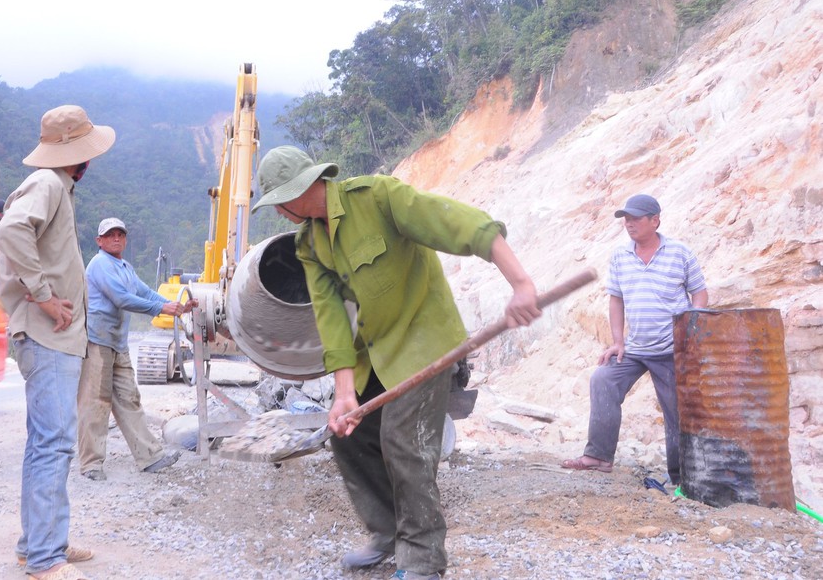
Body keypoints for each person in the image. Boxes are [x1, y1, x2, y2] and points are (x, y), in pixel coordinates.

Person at [252, 145, 540, 580]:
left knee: (404, 443)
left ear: (299, 190)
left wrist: (521, 283)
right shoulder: (309, 244)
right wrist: (344, 394)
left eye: (278, 202)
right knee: (348, 435)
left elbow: (459, 223)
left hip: (426, 340)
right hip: (379, 350)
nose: (279, 212)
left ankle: (423, 559)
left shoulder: (379, 197)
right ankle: (388, 534)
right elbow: (330, 319)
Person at [0, 105, 114, 580]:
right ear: (77, 155)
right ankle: (45, 558)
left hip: (51, 339)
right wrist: (45, 297)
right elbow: (11, 230)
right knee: (53, 444)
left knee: (45, 443)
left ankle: (38, 544)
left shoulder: (57, 189)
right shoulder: (47, 184)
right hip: (47, 336)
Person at [562, 193, 708, 484]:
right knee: (603, 379)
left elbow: (699, 292)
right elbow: (616, 300)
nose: (629, 224)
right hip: (636, 347)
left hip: (671, 348)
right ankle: (599, 457)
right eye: (626, 219)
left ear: (655, 221)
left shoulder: (680, 253)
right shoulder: (620, 256)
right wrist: (618, 341)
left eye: (636, 219)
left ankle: (683, 477)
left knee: (677, 409)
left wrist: (692, 328)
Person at [77, 217, 192, 480]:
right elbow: (121, 298)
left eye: (120, 234)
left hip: (118, 343)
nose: (116, 238)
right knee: (95, 403)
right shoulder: (99, 265)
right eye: (110, 234)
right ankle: (91, 465)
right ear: (100, 241)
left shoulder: (126, 267)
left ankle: (150, 457)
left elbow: (147, 293)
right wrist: (163, 308)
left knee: (130, 400)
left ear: (125, 239)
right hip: (97, 342)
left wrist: (176, 306)